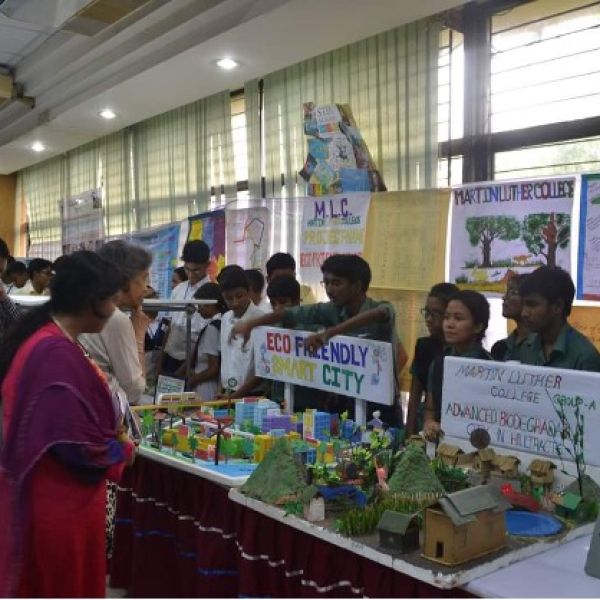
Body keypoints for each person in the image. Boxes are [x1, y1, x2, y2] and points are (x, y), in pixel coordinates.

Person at [0, 251, 135, 598]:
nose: (115, 308)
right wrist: (121, 449)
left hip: (61, 500)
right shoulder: (53, 354)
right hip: (57, 503)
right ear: (94, 301)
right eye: (111, 300)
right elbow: (73, 446)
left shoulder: (52, 341)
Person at [231, 254, 408, 425]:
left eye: (337, 283)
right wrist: (251, 324)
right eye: (326, 283)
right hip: (345, 400)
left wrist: (329, 333)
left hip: (380, 405)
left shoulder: (381, 308)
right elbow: (291, 314)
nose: (329, 289)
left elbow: (379, 314)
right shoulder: (332, 309)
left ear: (356, 286)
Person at [80, 240, 152, 408]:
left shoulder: (86, 305)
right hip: (104, 411)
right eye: (143, 278)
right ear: (125, 281)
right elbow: (134, 390)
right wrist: (139, 333)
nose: (146, 288)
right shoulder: (115, 318)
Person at [424, 290, 492, 441]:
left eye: (458, 318)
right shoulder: (438, 363)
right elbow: (430, 408)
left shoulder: (490, 368)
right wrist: (429, 423)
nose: (449, 324)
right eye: (446, 317)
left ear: (478, 326)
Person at [518, 266, 600, 371]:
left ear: (557, 307)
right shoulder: (527, 346)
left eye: (532, 305)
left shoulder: (584, 357)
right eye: (523, 305)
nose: (524, 313)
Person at [405, 282, 458, 436]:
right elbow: (414, 396)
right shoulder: (424, 346)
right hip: (427, 426)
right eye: (426, 312)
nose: (428, 319)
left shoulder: (467, 352)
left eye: (435, 313)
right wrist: (409, 433)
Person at [160, 240, 211, 374]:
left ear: (207, 265)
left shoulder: (211, 294)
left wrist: (185, 368)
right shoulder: (178, 290)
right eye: (187, 269)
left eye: (196, 270)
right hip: (170, 357)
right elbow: (170, 326)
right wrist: (161, 360)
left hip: (194, 362)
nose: (191, 274)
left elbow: (204, 337)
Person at [219, 266, 266, 396]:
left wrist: (236, 395)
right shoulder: (225, 318)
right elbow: (225, 358)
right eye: (228, 298)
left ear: (249, 291)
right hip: (227, 392)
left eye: (239, 296)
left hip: (251, 394)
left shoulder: (261, 320)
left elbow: (263, 370)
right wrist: (222, 391)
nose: (235, 302)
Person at [177, 283, 227, 400]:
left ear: (210, 304)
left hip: (205, 389)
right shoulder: (223, 322)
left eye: (200, 306)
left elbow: (213, 368)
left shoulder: (212, 328)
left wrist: (191, 380)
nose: (198, 310)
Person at [491, 274, 530, 362]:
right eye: (506, 293)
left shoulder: (543, 347)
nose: (504, 297)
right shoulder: (500, 348)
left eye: (512, 293)